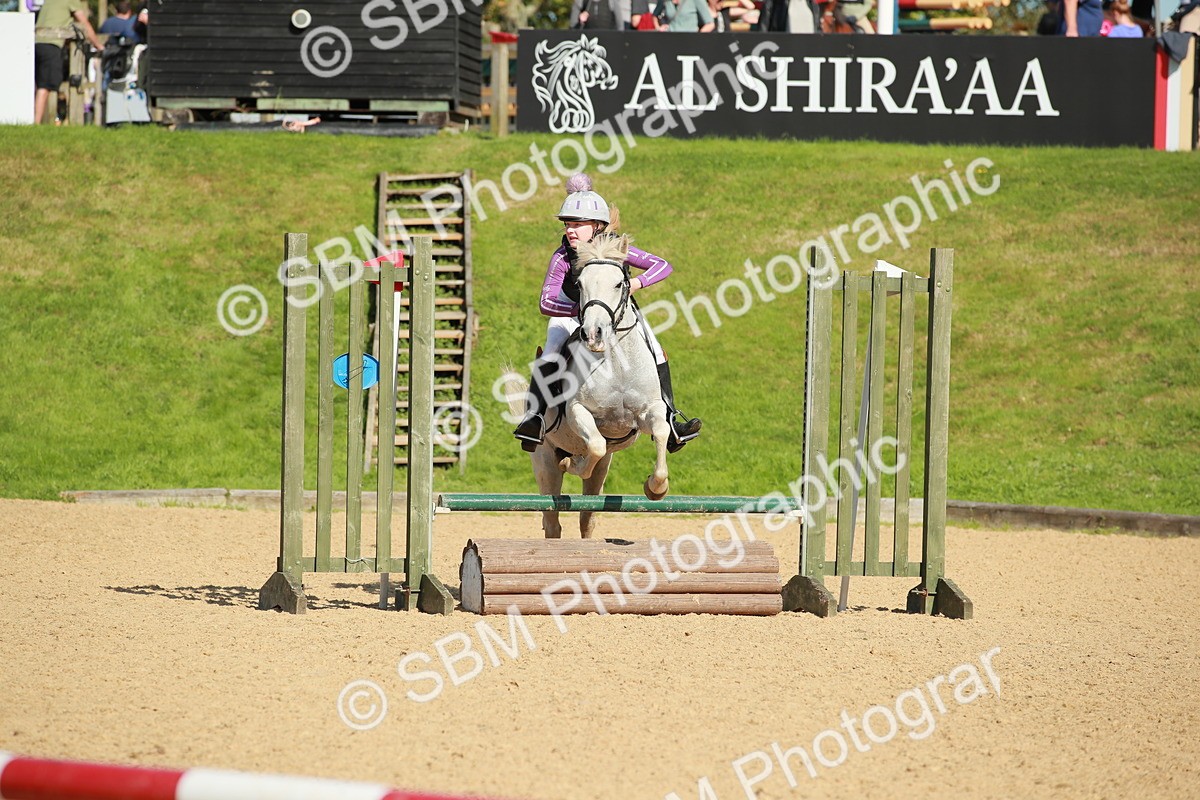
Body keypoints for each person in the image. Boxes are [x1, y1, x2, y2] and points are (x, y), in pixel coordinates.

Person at [513, 174, 703, 453]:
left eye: (578, 225)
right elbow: (546, 301)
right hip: (571, 311)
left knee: (656, 349)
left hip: (616, 314)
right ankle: (535, 418)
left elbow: (663, 265)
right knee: (552, 349)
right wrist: (583, 309)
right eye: (567, 224)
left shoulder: (617, 249)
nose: (570, 231)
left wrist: (637, 283)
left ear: (598, 226)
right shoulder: (562, 256)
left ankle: (671, 419)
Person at [34, 0, 103, 125]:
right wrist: (98, 45)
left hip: (37, 43)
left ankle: (41, 121)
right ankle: (36, 123)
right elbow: (84, 24)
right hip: (51, 44)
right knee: (45, 86)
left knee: (40, 84)